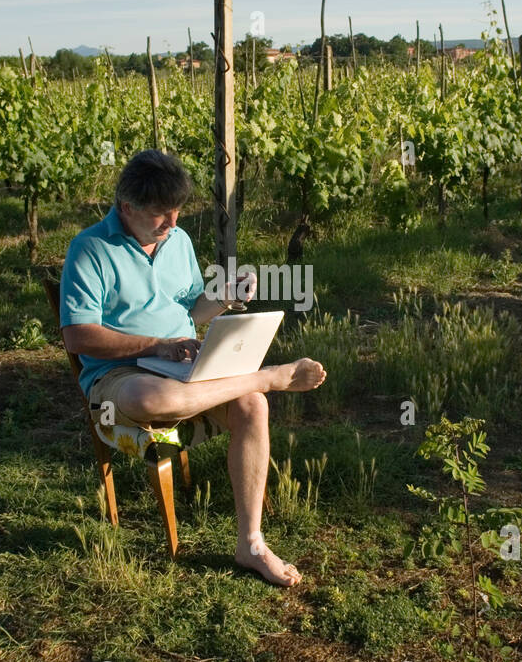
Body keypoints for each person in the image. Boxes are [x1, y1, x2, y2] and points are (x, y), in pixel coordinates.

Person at [59, 150, 326, 586]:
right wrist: (156, 345)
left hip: (184, 361)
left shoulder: (176, 241)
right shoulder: (89, 249)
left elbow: (190, 309)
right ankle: (269, 377)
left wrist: (223, 297)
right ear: (126, 208)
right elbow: (78, 336)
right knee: (153, 397)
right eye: (161, 216)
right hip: (118, 375)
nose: (173, 224)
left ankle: (251, 543)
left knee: (252, 406)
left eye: (178, 212)